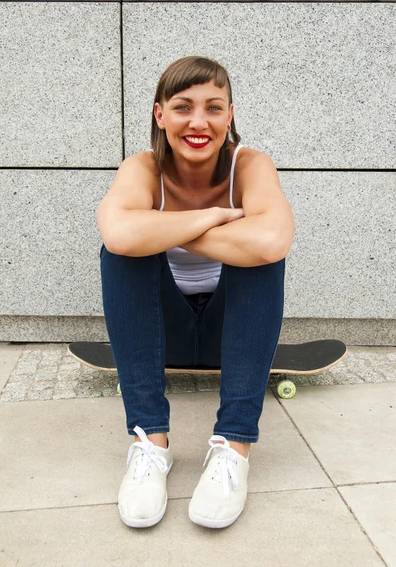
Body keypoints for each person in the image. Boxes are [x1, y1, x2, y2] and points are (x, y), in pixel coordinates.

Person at [97, 56, 295, 529]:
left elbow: (272, 240)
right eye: (183, 107)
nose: (199, 122)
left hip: (235, 331)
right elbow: (120, 235)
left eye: (213, 107)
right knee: (121, 254)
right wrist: (213, 217)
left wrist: (160, 228)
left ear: (230, 115)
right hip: (164, 332)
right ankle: (151, 446)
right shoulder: (142, 168)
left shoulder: (250, 165)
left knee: (260, 258)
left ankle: (233, 447)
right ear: (160, 115)